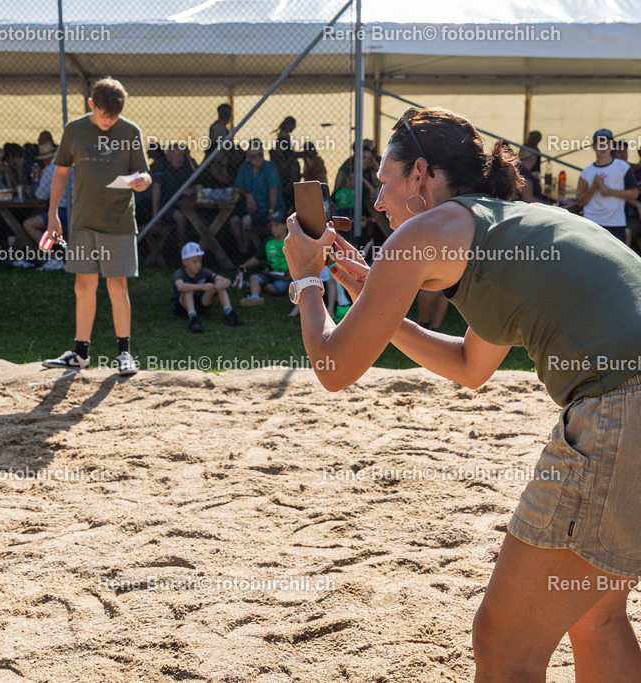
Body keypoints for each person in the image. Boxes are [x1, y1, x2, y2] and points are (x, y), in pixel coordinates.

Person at [282, 105, 641, 681]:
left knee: (504, 646)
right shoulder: (518, 224)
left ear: (421, 174)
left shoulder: (425, 231)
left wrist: (305, 276)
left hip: (621, 410)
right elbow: (471, 365)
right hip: (630, 410)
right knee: (595, 613)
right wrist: (384, 302)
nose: (378, 202)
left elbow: (331, 367)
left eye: (385, 182)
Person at [41, 77, 152, 376]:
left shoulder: (130, 131)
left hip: (119, 222)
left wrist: (144, 182)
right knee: (83, 286)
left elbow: (143, 173)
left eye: (113, 117)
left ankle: (124, 353)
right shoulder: (74, 130)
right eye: (104, 116)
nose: (108, 122)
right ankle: (80, 353)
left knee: (117, 285)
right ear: (92, 105)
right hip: (82, 223)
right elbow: (61, 173)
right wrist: (53, 215)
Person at [576, 128, 638, 244]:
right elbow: (579, 201)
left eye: (607, 144)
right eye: (600, 144)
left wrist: (610, 192)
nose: (603, 147)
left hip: (616, 224)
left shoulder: (623, 167)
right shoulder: (586, 172)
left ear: (612, 146)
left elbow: (634, 194)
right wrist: (593, 188)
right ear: (593, 147)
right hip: (591, 223)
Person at [229, 140, 285, 258]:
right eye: (254, 156)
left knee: (246, 220)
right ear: (248, 157)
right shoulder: (244, 167)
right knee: (234, 221)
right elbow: (239, 187)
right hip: (252, 208)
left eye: (260, 154)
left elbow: (273, 190)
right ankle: (241, 249)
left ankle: (246, 254)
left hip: (268, 207)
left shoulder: (270, 168)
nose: (258, 158)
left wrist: (271, 211)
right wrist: (248, 195)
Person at [22, 141, 71, 271]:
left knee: (29, 224)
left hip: (63, 212)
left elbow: (40, 196)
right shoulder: (74, 165)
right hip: (79, 210)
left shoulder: (50, 169)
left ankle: (53, 258)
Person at [172, 242, 243, 332]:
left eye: (200, 261)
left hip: (201, 304)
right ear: (185, 262)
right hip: (182, 307)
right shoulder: (180, 273)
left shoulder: (203, 271)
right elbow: (180, 287)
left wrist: (220, 285)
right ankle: (193, 319)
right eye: (194, 262)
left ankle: (229, 313)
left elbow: (226, 280)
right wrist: (202, 287)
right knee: (188, 289)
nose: (198, 264)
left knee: (219, 283)